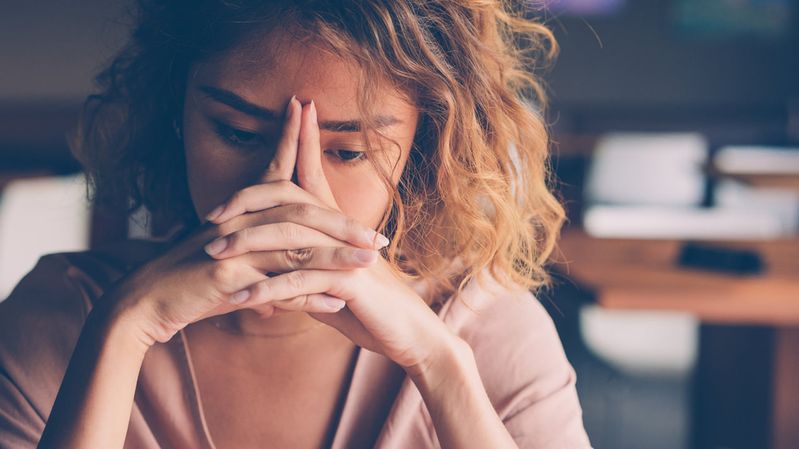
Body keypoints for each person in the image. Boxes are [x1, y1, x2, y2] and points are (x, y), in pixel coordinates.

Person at [0, 1, 592, 448]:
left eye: (349, 151)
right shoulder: (64, 317)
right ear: (174, 112)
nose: (288, 195)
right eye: (237, 133)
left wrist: (442, 369)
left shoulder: (488, 336)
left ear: (424, 147)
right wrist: (125, 330)